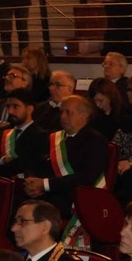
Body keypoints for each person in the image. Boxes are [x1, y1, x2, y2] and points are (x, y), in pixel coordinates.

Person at [22, 95, 109, 227]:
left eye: (68, 112)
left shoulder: (94, 140)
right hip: (45, 193)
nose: (62, 116)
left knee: (32, 214)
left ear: (83, 115)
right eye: (61, 112)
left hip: (72, 197)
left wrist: (45, 184)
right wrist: (31, 181)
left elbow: (88, 177)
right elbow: (33, 161)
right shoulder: (54, 137)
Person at [0, 88, 49, 178]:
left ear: (29, 109)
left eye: (15, 106)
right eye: (8, 107)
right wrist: (2, 159)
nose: (10, 111)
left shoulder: (40, 135)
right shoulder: (5, 133)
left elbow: (25, 164)